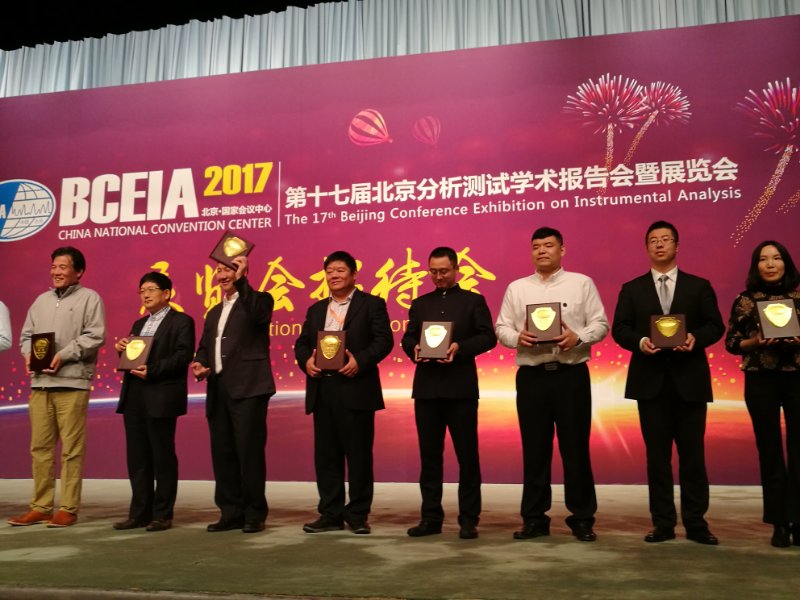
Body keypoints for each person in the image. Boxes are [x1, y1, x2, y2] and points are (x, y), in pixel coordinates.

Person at [612, 220, 724, 545]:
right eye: (653, 240)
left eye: (665, 239)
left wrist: (695, 338)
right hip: (650, 384)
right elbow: (620, 329)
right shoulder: (632, 288)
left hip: (690, 382)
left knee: (693, 457)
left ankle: (696, 523)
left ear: (677, 245)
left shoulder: (698, 286)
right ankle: (662, 523)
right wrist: (640, 342)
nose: (659, 244)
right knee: (657, 458)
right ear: (647, 248)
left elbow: (715, 326)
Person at [495, 227, 609, 542]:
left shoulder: (581, 283)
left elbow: (601, 323)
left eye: (548, 245)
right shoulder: (517, 288)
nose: (542, 251)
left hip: (570, 375)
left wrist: (578, 337)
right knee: (534, 450)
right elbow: (501, 327)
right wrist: (517, 337)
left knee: (576, 449)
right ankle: (534, 518)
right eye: (536, 246)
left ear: (562, 249)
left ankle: (582, 518)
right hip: (532, 377)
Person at [294, 250, 393, 535]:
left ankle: (358, 514)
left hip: (355, 388)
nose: (334, 276)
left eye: (340, 270)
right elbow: (302, 344)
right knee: (326, 457)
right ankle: (330, 513)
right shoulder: (316, 310)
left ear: (353, 275)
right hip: (323, 389)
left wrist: (359, 361)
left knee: (359, 456)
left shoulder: (371, 304)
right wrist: (306, 362)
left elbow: (384, 340)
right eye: (329, 271)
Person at [401, 246, 496, 539]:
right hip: (427, 390)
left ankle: (469, 519)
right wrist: (414, 348)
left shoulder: (473, 301)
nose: (438, 277)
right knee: (429, 457)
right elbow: (408, 337)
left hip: (460, 389)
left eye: (443, 271)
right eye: (433, 272)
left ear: (456, 270)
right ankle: (431, 518)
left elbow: (488, 337)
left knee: (467, 457)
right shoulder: (420, 304)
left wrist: (460, 348)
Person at [9, 246, 106, 528]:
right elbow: (26, 336)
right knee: (39, 448)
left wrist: (63, 354)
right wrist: (28, 354)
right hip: (40, 384)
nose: (56, 272)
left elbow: (95, 336)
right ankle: (40, 506)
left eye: (63, 267)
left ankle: (68, 508)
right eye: (53, 266)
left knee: (71, 449)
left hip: (72, 383)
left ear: (79, 271)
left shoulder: (90, 298)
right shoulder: (41, 300)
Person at [724, 240, 800, 547]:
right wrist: (754, 342)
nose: (770, 264)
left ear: (786, 263)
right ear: (756, 266)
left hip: (797, 378)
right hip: (760, 380)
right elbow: (732, 343)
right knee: (769, 451)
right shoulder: (744, 300)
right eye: (763, 259)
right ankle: (778, 522)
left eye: (776, 258)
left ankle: (799, 519)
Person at [191, 256, 275, 534]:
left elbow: (258, 316)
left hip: (249, 388)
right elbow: (205, 346)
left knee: (249, 453)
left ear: (242, 271)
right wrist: (200, 362)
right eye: (219, 270)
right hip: (218, 389)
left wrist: (242, 281)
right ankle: (230, 511)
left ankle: (254, 513)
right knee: (223, 453)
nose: (223, 274)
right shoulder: (214, 312)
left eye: (229, 269)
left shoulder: (260, 300)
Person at [113, 273, 195, 532]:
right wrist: (122, 349)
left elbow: (183, 356)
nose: (145, 295)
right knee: (137, 458)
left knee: (162, 457)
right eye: (142, 291)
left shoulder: (181, 321)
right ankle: (139, 513)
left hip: (161, 396)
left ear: (166, 293)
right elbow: (134, 356)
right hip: (135, 397)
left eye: (151, 289)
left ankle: (162, 514)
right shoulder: (139, 324)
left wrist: (154, 370)